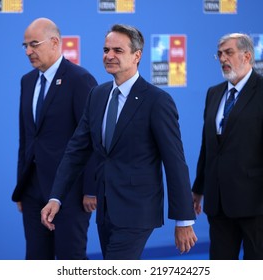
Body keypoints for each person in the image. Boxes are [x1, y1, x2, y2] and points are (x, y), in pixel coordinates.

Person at [41, 24, 197, 260]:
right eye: (106, 50)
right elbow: (76, 151)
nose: (109, 56)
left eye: (118, 50)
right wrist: (56, 196)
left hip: (137, 212)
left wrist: (184, 219)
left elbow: (175, 161)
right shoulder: (97, 95)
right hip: (105, 211)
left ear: (137, 55)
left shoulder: (157, 101)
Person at [192, 33, 263, 259]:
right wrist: (198, 188)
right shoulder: (214, 93)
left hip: (256, 202)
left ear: (247, 56)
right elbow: (209, 147)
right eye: (219, 54)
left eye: (229, 52)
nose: (222, 58)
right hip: (218, 201)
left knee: (260, 263)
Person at [11, 17, 98, 259]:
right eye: (25, 46)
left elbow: (92, 138)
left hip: (70, 192)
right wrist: (22, 187)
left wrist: (91, 189)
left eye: (34, 44)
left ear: (55, 42)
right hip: (32, 191)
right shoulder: (27, 82)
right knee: (37, 260)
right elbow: (26, 138)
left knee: (71, 260)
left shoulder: (79, 79)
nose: (28, 51)